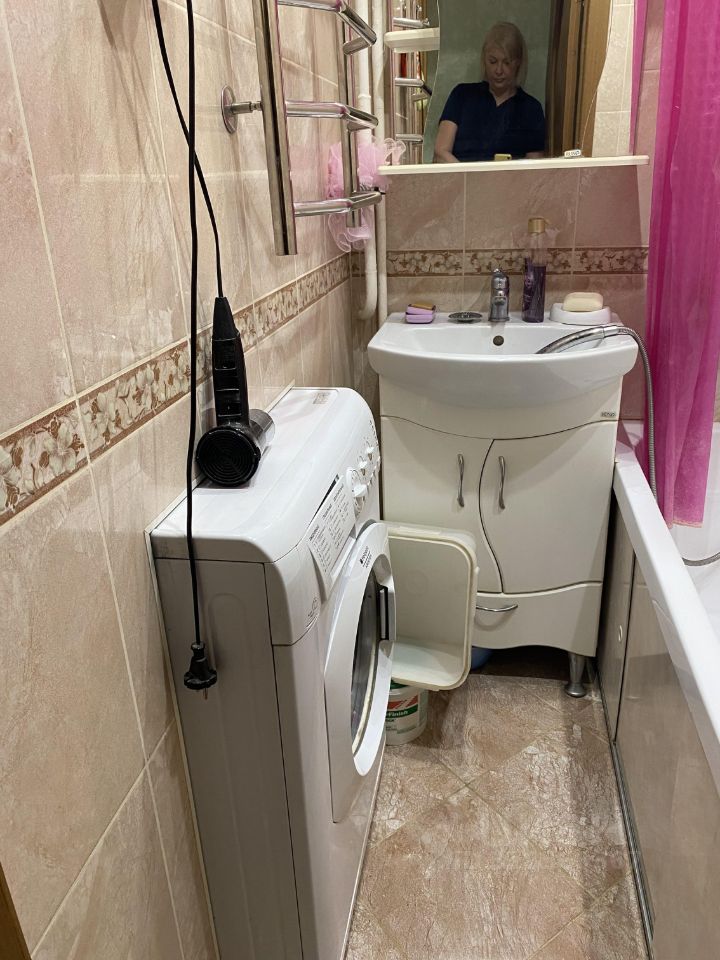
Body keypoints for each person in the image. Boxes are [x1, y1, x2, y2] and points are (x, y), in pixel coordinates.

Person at [434, 22, 545, 163]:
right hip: (459, 176)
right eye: (493, 62)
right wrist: (468, 176)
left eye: (506, 63)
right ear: (484, 60)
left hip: (509, 178)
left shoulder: (531, 109)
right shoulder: (461, 95)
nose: (498, 70)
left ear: (518, 63)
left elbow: (534, 168)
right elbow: (440, 153)